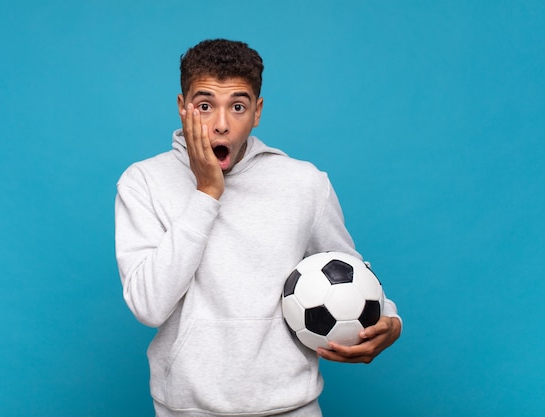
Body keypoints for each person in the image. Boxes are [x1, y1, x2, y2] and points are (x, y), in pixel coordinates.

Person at [115, 38, 402, 417]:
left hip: (292, 406)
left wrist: (390, 319)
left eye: (237, 106)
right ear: (182, 108)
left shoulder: (304, 183)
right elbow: (148, 306)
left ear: (257, 112)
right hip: (186, 409)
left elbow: (346, 272)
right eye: (204, 106)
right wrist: (206, 194)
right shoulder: (143, 182)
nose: (220, 124)